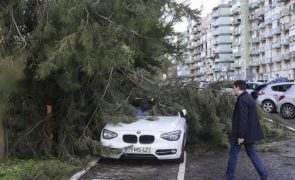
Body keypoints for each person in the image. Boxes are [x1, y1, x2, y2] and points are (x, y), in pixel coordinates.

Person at [225, 80, 269, 180]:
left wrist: (240, 136)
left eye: (234, 88)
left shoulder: (242, 100)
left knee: (233, 155)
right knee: (252, 153)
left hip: (242, 134)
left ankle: (229, 177)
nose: (233, 90)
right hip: (248, 133)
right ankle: (264, 175)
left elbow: (243, 119)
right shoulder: (247, 97)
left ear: (237, 87)